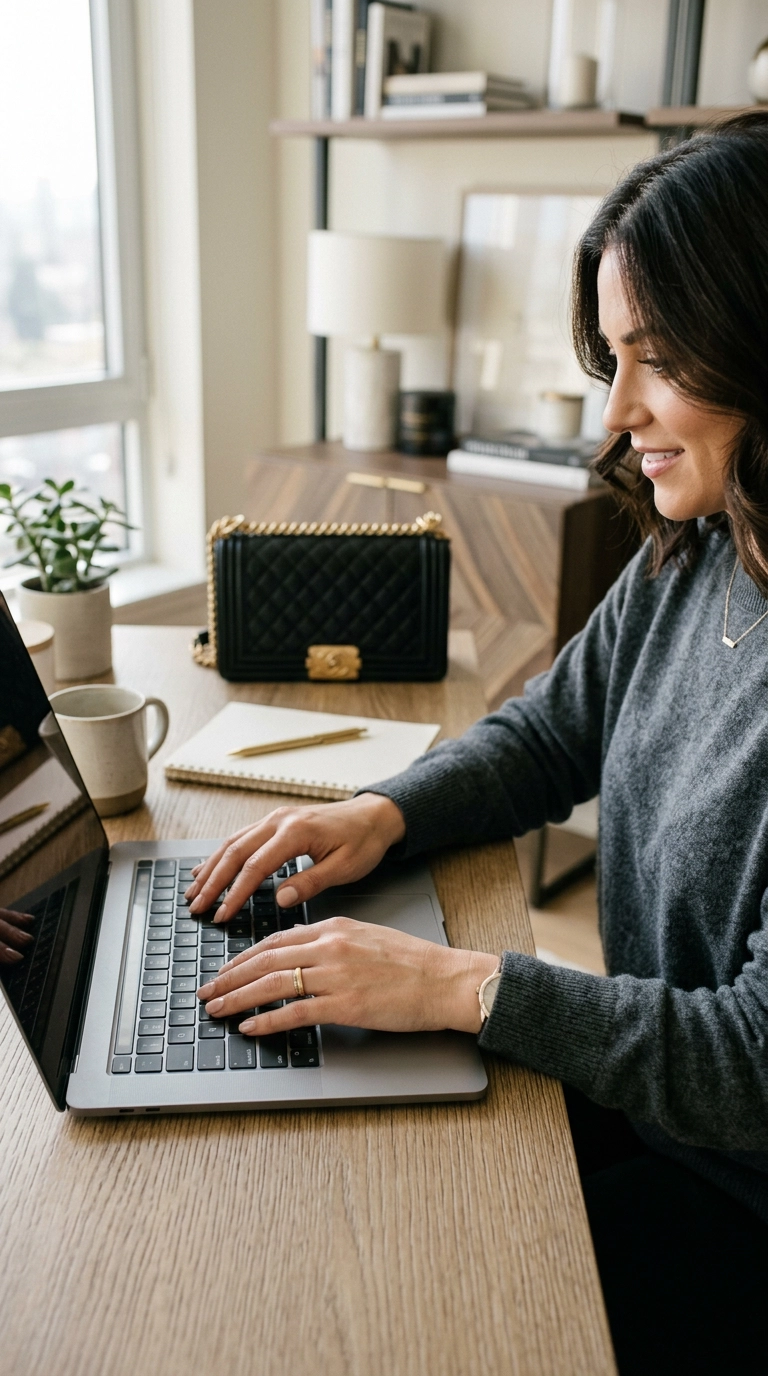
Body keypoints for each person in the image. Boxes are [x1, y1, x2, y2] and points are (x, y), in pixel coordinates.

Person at [189, 114, 768, 1373]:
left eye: (655, 359)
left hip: (740, 1198)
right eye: (611, 358)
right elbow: (549, 731)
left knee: (395, 1298)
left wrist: (458, 984)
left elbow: (751, 1060)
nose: (615, 413)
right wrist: (381, 815)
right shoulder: (702, 555)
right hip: (656, 1117)